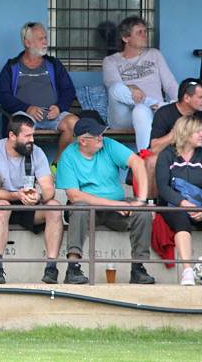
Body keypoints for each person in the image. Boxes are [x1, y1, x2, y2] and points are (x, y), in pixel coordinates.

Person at [56, 117, 154, 285]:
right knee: (78, 207)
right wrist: (116, 205)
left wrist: (142, 200)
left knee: (142, 212)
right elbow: (74, 196)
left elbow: (137, 162)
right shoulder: (68, 156)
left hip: (116, 209)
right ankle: (73, 268)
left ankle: (138, 268)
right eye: (96, 135)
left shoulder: (108, 144)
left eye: (101, 133)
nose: (101, 137)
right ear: (83, 141)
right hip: (88, 209)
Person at [0, 112, 64, 284]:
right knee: (3, 207)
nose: (32, 139)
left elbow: (48, 188)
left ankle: (51, 268)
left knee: (54, 206)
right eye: (27, 136)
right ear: (12, 136)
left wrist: (37, 196)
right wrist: (16, 195)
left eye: (33, 135)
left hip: (27, 202)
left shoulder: (36, 152)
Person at [155, 115, 202, 286]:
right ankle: (187, 271)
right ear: (186, 133)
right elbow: (162, 187)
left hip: (201, 205)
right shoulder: (167, 155)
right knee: (181, 219)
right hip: (174, 205)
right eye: (198, 132)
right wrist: (183, 204)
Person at [0, 22, 79, 164]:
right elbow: (4, 96)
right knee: (20, 129)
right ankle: (24, 171)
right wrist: (27, 108)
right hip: (24, 116)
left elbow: (69, 90)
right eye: (41, 39)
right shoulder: (12, 66)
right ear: (27, 42)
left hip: (52, 115)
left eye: (45, 38)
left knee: (73, 123)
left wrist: (59, 107)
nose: (45, 42)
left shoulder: (53, 64)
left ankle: (57, 166)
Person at [103, 16, 178, 151]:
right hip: (122, 116)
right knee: (115, 88)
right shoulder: (110, 61)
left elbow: (170, 84)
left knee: (140, 110)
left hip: (151, 114)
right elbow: (113, 84)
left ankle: (145, 159)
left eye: (145, 31)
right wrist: (132, 88)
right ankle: (156, 104)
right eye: (139, 32)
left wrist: (181, 105)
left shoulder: (154, 54)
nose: (145, 35)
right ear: (126, 38)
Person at [146, 78, 202, 199]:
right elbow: (154, 148)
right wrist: (177, 131)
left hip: (194, 155)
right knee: (152, 161)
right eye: (201, 97)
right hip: (170, 156)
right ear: (187, 98)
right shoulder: (164, 113)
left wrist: (200, 127)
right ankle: (151, 205)